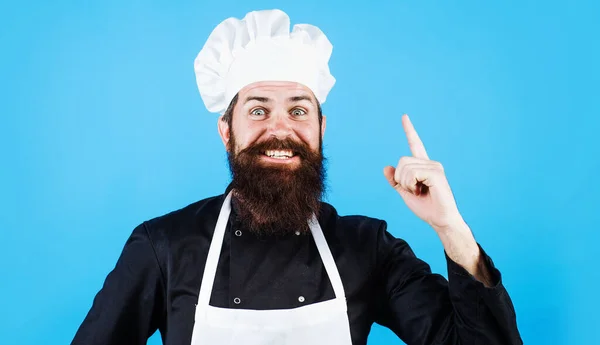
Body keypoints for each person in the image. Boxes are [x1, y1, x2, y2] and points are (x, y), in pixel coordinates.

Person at [71, 9, 522, 345]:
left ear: (321, 129)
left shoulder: (367, 249)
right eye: (258, 110)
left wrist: (450, 228)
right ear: (227, 132)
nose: (280, 128)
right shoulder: (164, 247)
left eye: (299, 110)